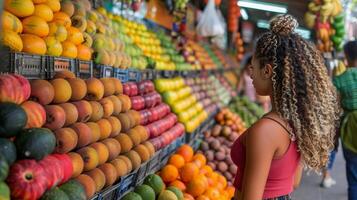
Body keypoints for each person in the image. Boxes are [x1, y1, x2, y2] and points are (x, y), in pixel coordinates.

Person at [231, 15, 340, 200]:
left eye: (253, 67)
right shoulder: (297, 122)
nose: (250, 74)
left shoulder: (265, 130)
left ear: (267, 71)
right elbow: (293, 183)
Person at [333, 40, 357, 200]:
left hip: (350, 129)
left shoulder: (339, 80)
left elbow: (334, 111)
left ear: (346, 57)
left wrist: (334, 137)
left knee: (353, 178)